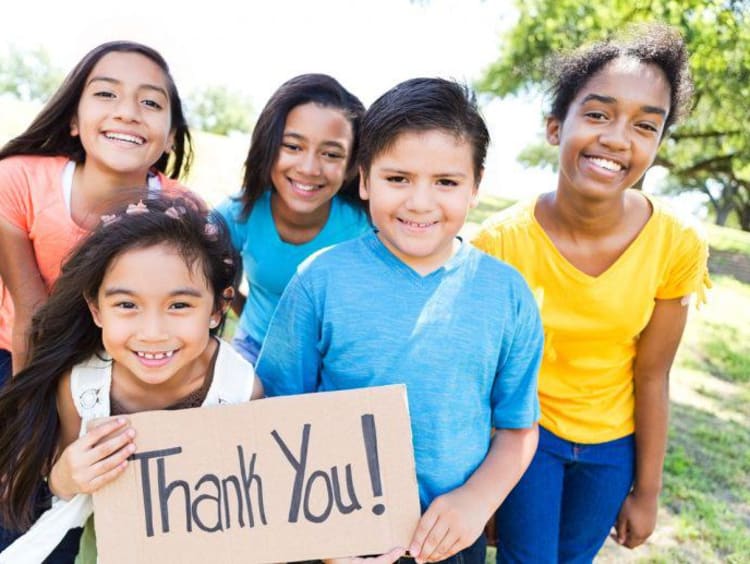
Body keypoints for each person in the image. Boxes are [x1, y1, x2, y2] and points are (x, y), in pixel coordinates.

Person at [256, 78, 543, 564]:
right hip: (334, 539)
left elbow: (518, 430)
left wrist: (476, 503)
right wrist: (316, 531)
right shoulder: (320, 280)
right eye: (398, 178)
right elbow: (275, 414)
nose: (420, 202)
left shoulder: (506, 294)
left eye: (446, 183)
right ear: (365, 180)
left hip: (448, 541)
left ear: (475, 187)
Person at [471, 24, 710, 563]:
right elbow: (484, 378)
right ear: (557, 128)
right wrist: (483, 487)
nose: (617, 139)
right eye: (598, 114)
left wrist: (646, 492)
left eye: (645, 125)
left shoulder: (677, 243)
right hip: (527, 437)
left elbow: (653, 373)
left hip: (612, 450)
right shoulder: (500, 243)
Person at [0, 194, 262, 563]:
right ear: (96, 309)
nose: (152, 333)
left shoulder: (238, 389)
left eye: (179, 306)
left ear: (219, 308)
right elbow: (57, 484)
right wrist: (67, 476)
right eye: (127, 305)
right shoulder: (82, 387)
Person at [0, 40, 192, 387]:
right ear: (74, 119)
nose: (128, 112)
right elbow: (31, 316)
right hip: (18, 353)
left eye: (150, 102)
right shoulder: (16, 180)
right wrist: (28, 426)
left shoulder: (184, 210)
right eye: (106, 94)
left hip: (122, 362)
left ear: (170, 140)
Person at [215, 74, 371, 365]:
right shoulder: (238, 215)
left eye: (331, 154)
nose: (309, 168)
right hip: (255, 351)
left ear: (351, 166)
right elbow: (210, 286)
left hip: (335, 361)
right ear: (268, 147)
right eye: (293, 147)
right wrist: (250, 318)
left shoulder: (366, 226)